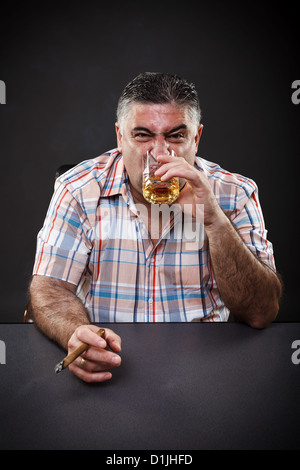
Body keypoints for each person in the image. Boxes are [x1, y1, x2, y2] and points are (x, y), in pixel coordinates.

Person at [29, 72, 282, 383]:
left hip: (205, 371)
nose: (159, 153)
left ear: (196, 138)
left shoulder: (235, 194)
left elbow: (261, 312)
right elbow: (51, 287)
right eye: (143, 135)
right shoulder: (78, 189)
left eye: (176, 136)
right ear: (120, 137)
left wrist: (215, 220)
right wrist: (76, 332)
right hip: (113, 364)